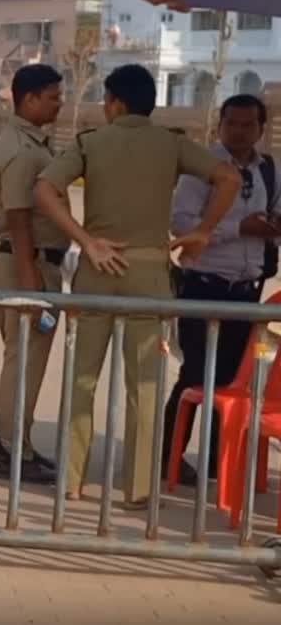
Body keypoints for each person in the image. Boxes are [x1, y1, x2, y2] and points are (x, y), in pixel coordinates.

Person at [33, 64, 240, 508]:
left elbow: (46, 188)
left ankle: (71, 480)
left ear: (114, 102)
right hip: (149, 274)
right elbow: (229, 178)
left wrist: (85, 240)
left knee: (82, 379)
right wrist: (203, 231)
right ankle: (140, 488)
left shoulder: (92, 143)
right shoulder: (172, 145)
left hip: (97, 271)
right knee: (144, 385)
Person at [164, 94, 279, 486]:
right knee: (195, 372)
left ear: (261, 128)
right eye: (233, 124)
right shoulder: (203, 169)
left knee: (231, 379)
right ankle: (170, 456)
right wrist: (238, 229)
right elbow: (182, 225)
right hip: (204, 284)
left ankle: (215, 459)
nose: (240, 131)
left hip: (247, 290)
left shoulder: (270, 172)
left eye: (249, 125)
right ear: (220, 126)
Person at [0, 64, 66, 485]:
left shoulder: (31, 142)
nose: (60, 103)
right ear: (30, 98)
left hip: (28, 262)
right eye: (53, 96)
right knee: (23, 363)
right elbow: (18, 217)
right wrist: (32, 282)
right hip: (26, 263)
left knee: (25, 360)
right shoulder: (22, 149)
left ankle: (22, 445)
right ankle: (13, 449)